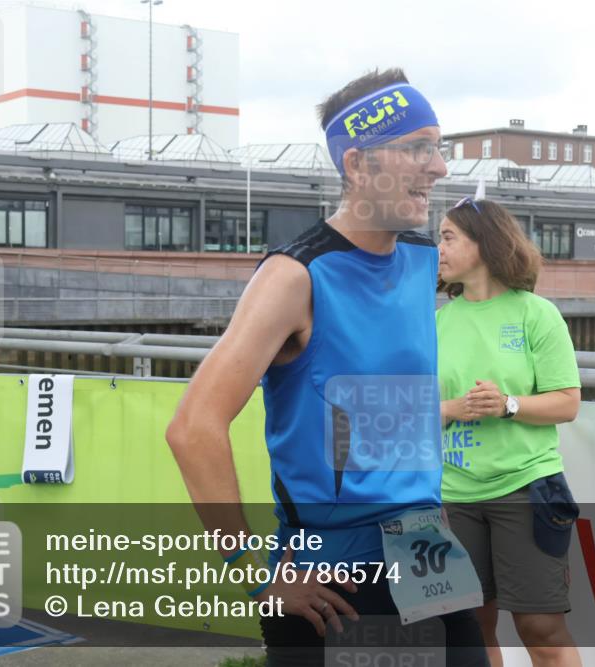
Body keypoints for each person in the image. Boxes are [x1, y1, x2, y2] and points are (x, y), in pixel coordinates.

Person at [166, 68, 488, 667]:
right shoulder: (294, 277)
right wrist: (256, 573)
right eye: (418, 148)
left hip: (425, 550)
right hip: (334, 579)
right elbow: (193, 427)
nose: (439, 168)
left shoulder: (420, 261)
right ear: (359, 165)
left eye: (438, 148)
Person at [436, 197, 583, 667]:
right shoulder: (433, 322)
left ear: (484, 244)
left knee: (540, 627)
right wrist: (453, 408)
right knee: (469, 625)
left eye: (448, 237)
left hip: (525, 488)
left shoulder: (536, 314)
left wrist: (508, 405)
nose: (437, 248)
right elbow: (405, 408)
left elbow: (567, 402)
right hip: (450, 493)